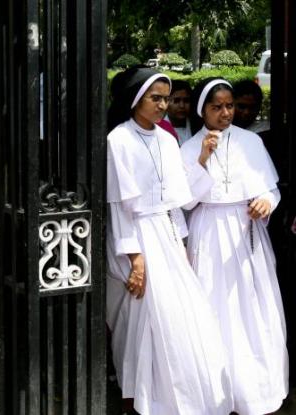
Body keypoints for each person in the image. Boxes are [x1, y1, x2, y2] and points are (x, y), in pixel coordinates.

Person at [106, 67, 231, 414]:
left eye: (166, 98)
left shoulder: (166, 139)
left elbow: (179, 200)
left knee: (177, 319)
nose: (163, 105)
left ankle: (172, 397)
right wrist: (134, 258)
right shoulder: (118, 140)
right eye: (155, 98)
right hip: (137, 236)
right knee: (142, 317)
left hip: (169, 235)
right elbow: (119, 204)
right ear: (135, 99)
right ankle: (138, 395)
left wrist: (183, 244)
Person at [181, 77, 288, 414]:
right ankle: (215, 391)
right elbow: (184, 202)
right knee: (213, 307)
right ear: (203, 110)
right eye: (217, 107)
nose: (226, 112)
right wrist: (201, 158)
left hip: (246, 233)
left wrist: (266, 203)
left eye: (229, 106)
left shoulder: (250, 141)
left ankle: (253, 391)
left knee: (250, 309)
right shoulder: (187, 147)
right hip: (209, 230)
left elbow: (272, 188)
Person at [165, 80, 193, 145]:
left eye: (186, 101)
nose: (182, 106)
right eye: (176, 101)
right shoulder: (159, 128)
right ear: (167, 102)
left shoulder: (196, 127)